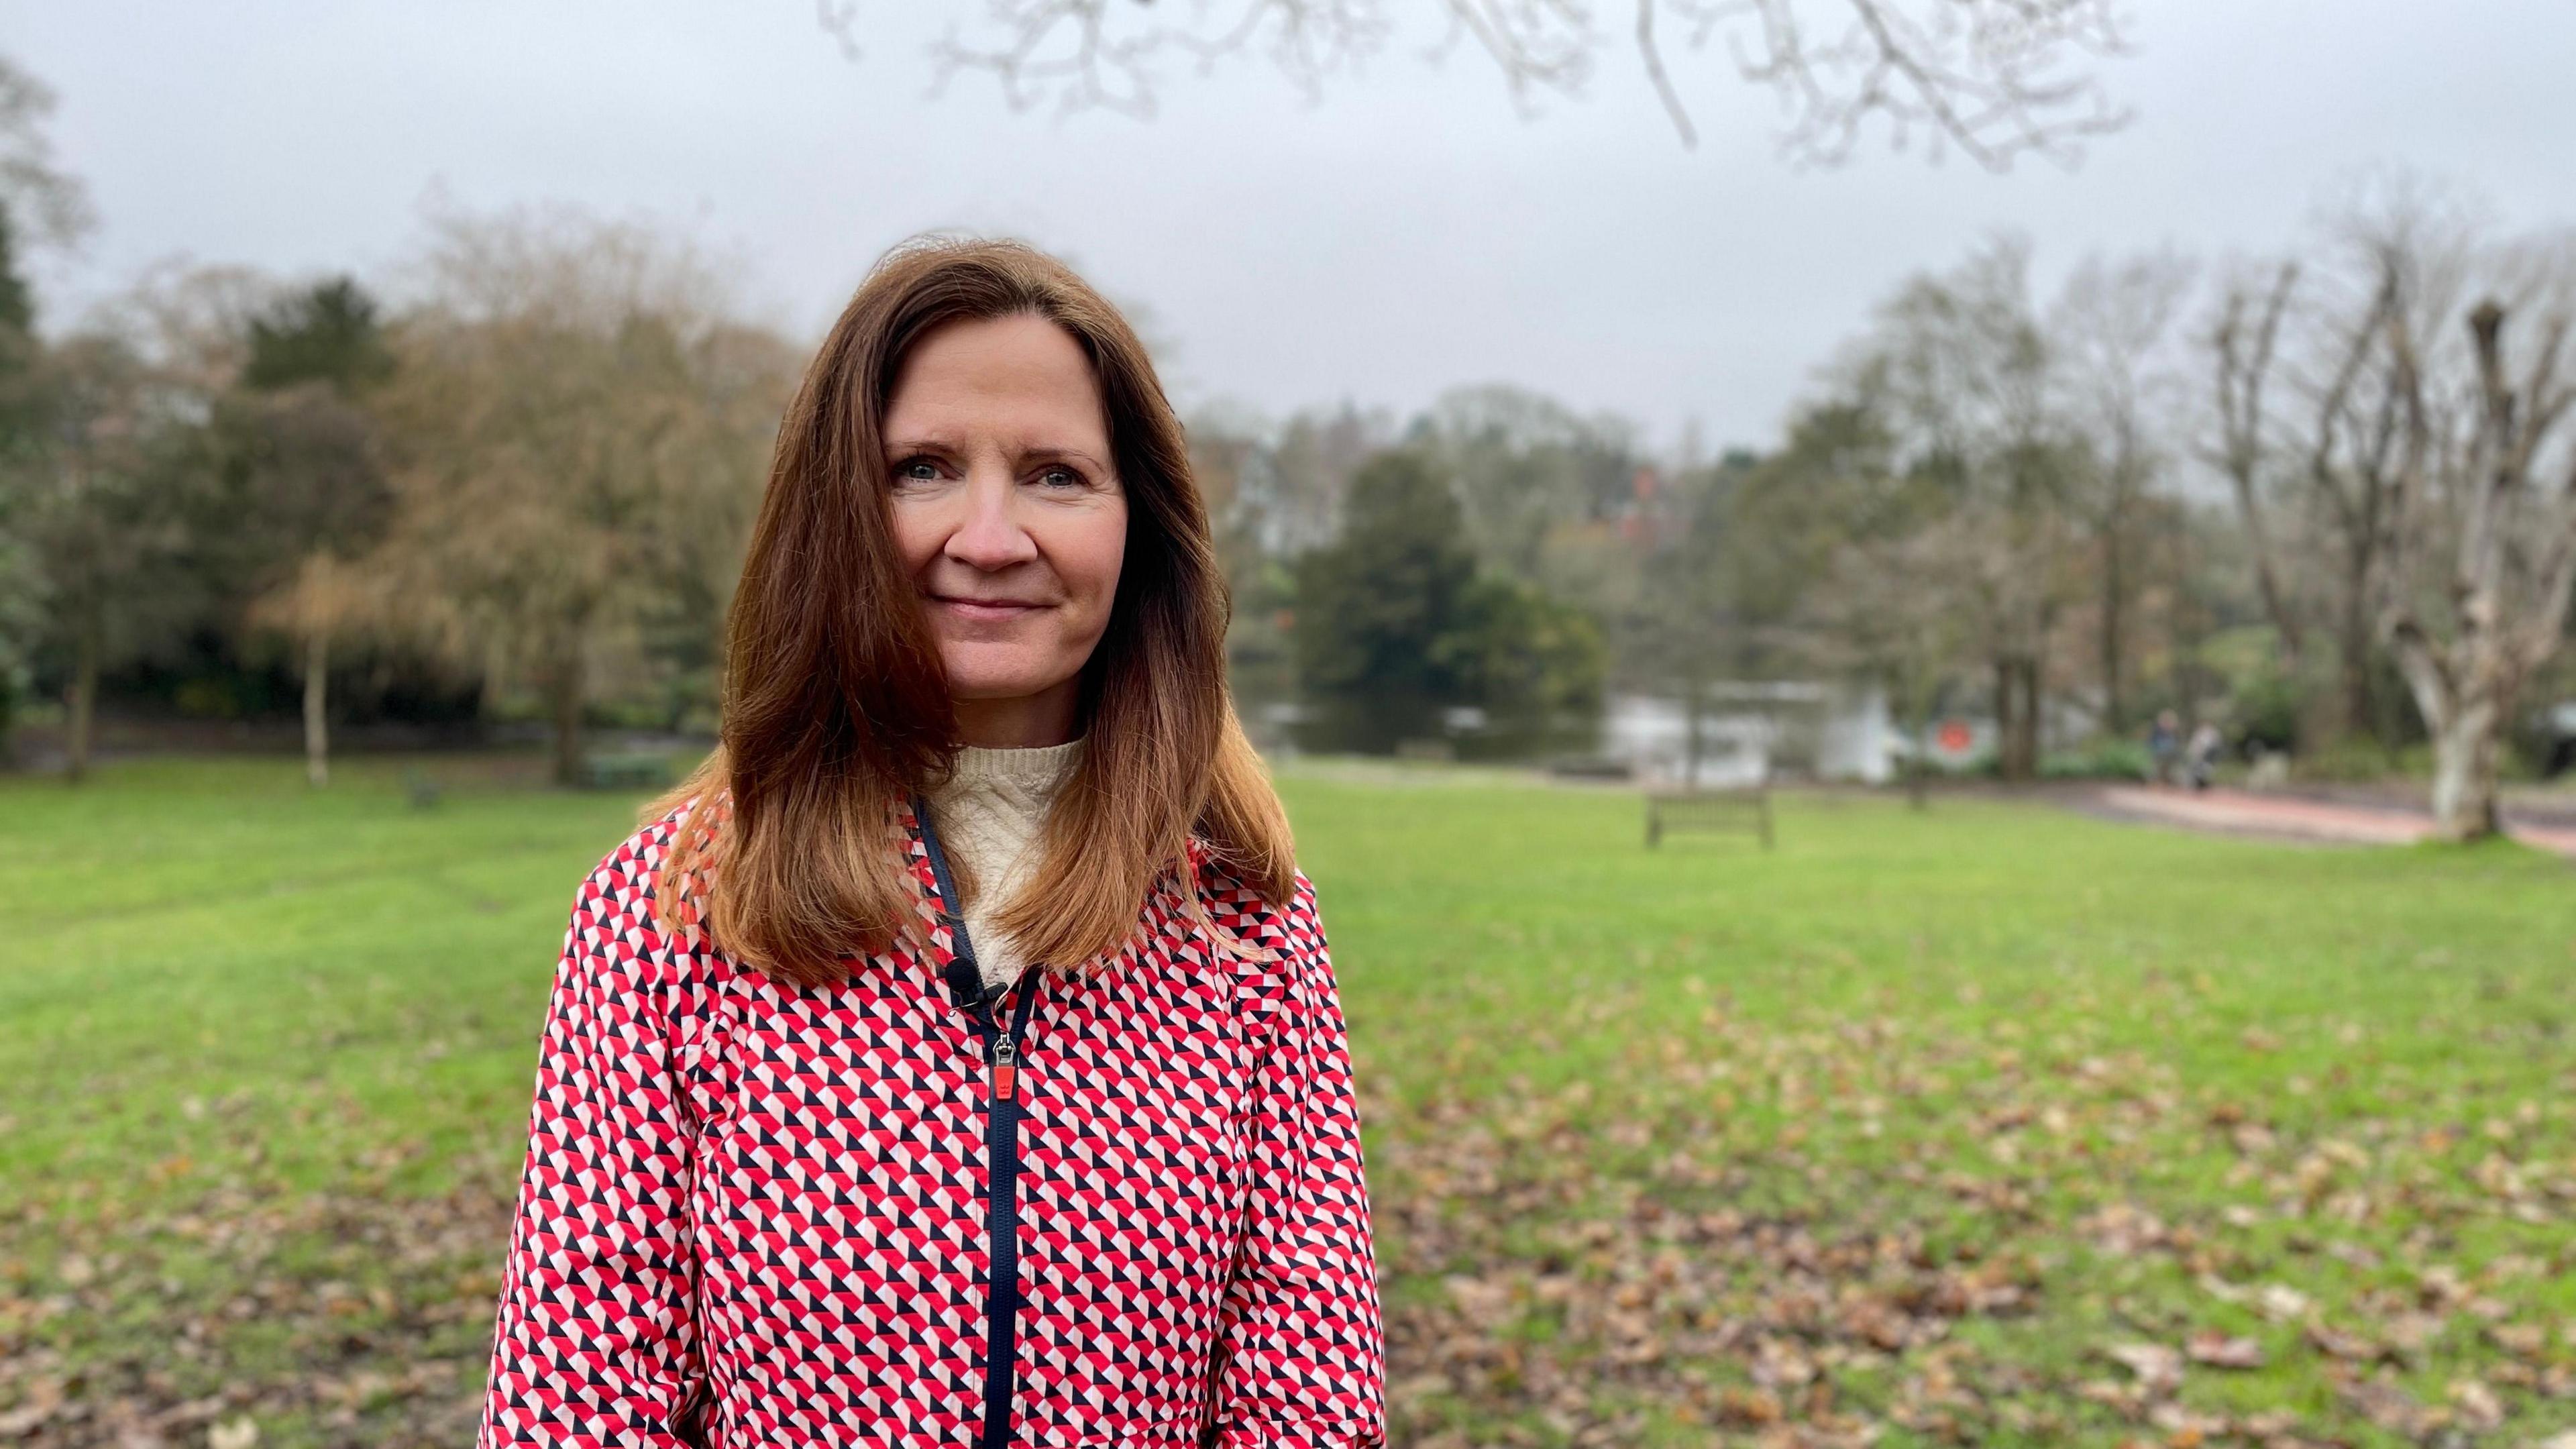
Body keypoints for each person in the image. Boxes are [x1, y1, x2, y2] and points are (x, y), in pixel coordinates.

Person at [476, 238, 1386, 1448]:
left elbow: (1305, 1405)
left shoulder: (1247, 927)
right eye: (923, 468)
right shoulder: (670, 913)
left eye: (1058, 475)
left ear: (1140, 529)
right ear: (838, 512)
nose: (991, 535)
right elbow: (578, 1406)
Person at [2186, 719, 2224, 792]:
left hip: (2207, 758)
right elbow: (2195, 746)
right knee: (2196, 771)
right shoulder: (2200, 734)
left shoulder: (2213, 735)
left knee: (2203, 772)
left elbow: (2213, 748)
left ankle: (2201, 786)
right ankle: (2195, 785)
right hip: (2199, 757)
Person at [2148, 708, 2180, 786]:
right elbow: (2151, 743)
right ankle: (2156, 781)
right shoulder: (2157, 731)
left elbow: (2176, 745)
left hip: (2170, 755)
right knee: (2158, 767)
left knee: (2171, 766)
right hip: (2159, 753)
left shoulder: (2173, 733)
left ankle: (2167, 781)